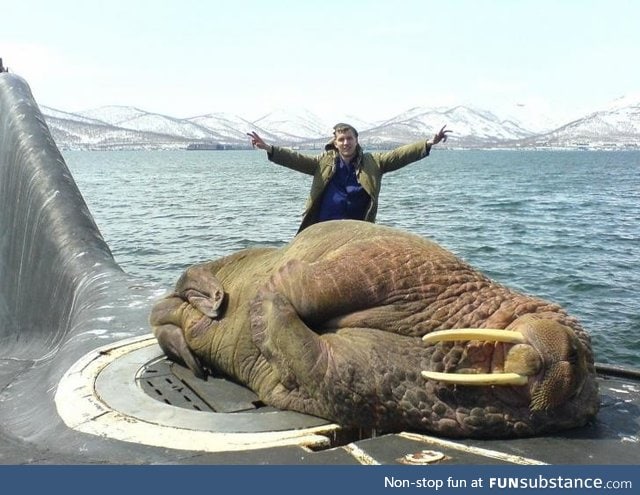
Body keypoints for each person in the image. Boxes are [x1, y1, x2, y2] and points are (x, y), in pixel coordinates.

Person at [247, 123, 451, 233]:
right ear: (335, 143)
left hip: (358, 230)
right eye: (341, 139)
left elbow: (399, 155)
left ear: (356, 140)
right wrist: (269, 149)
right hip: (323, 228)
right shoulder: (323, 163)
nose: (346, 143)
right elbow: (295, 159)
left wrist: (428, 143)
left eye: (349, 138)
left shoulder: (374, 162)